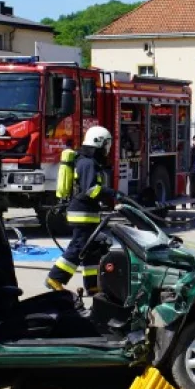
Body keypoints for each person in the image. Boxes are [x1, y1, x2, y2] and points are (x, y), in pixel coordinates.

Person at [46, 126, 117, 294]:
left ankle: (92, 285)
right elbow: (91, 189)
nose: (108, 148)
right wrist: (113, 194)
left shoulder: (90, 162)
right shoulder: (87, 163)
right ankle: (55, 278)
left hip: (88, 213)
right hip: (82, 213)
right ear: (98, 142)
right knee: (79, 247)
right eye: (107, 144)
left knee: (93, 248)